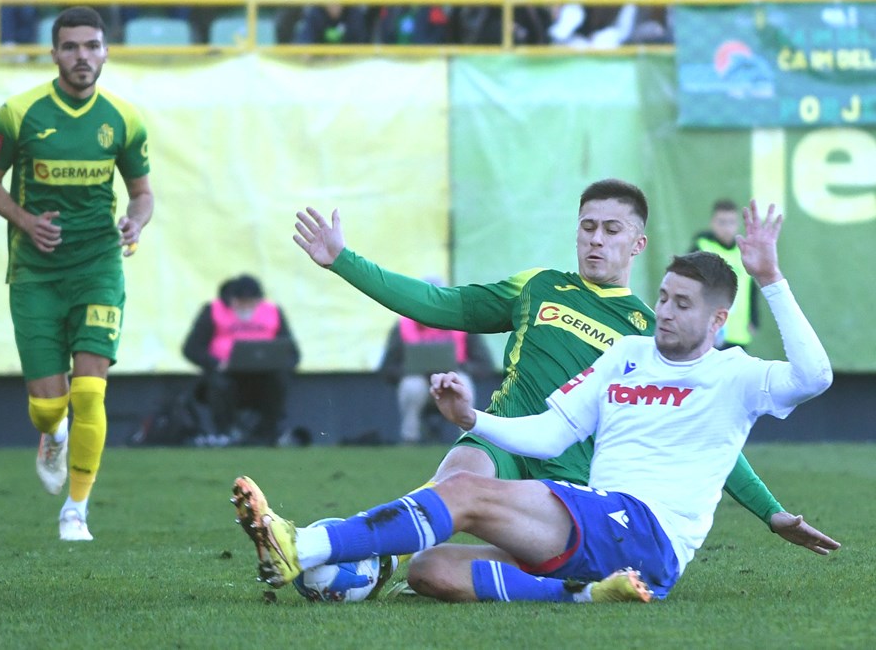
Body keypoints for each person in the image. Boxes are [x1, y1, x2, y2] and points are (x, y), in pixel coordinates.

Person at [233, 202, 838, 602]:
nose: (666, 312)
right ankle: (589, 593)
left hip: (634, 526)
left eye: (682, 304)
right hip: (586, 510)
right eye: (664, 298)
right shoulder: (623, 349)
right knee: (433, 570)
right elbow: (549, 428)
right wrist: (472, 418)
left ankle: (305, 545)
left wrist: (770, 279)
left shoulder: (733, 373)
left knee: (462, 494)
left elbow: (807, 381)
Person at [0, 6, 154, 541]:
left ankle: (75, 510)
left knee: (90, 393)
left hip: (99, 266)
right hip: (36, 273)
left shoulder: (124, 119)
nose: (83, 56)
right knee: (48, 406)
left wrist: (136, 222)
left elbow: (142, 194)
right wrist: (26, 222)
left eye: (92, 46)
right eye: (71, 47)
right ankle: (53, 434)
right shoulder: (19, 114)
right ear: (54, 53)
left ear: (106, 52)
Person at [182, 274, 300, 446]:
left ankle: (266, 433)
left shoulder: (273, 312)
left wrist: (278, 363)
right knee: (219, 383)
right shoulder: (213, 311)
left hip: (263, 378)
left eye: (250, 302)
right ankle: (227, 432)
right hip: (226, 376)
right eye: (241, 301)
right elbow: (191, 349)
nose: (246, 307)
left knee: (279, 380)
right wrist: (216, 364)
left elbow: (292, 354)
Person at [378, 297, 495, 444]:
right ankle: (409, 439)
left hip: (451, 384)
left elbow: (484, 365)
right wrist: (411, 369)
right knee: (411, 385)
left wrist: (460, 367)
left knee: (463, 381)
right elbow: (388, 368)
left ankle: (468, 437)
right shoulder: (404, 326)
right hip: (420, 386)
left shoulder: (462, 325)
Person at [690, 198, 757, 349]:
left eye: (731, 222)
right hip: (709, 330)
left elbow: (751, 288)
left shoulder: (744, 252)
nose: (727, 228)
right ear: (712, 223)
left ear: (738, 224)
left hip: (738, 332)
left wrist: (754, 318)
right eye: (722, 222)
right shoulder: (701, 247)